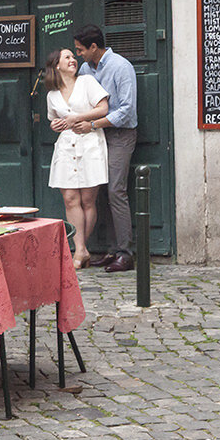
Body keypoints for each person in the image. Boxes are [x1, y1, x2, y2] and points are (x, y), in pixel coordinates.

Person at [74, 25, 139, 273]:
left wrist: (92, 124)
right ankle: (111, 250)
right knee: (99, 191)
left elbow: (126, 111)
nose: (78, 54)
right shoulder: (84, 69)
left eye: (81, 50)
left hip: (120, 135)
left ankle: (125, 254)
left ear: (93, 47)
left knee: (116, 191)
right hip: (95, 135)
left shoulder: (121, 67)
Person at [44, 48, 109, 268]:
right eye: (67, 58)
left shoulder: (87, 82)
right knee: (70, 199)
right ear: (56, 66)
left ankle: (80, 251)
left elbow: (103, 108)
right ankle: (81, 250)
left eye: (73, 56)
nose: (73, 60)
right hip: (65, 148)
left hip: (89, 144)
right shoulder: (51, 95)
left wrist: (78, 117)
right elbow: (54, 120)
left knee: (88, 200)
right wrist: (55, 126)